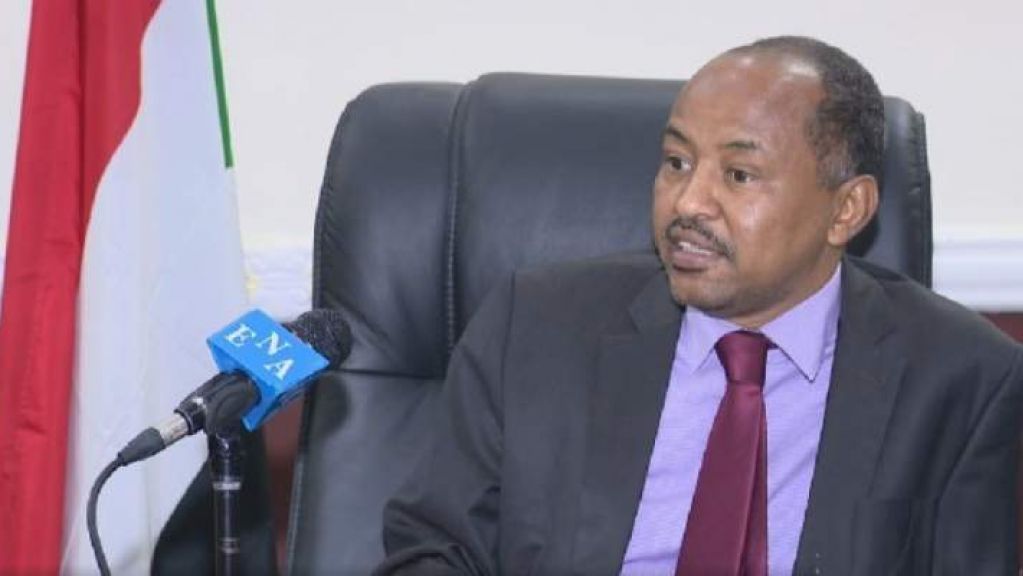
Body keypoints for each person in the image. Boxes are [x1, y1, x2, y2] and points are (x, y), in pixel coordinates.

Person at [374, 36, 1023, 575]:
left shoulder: (962, 379)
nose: (687, 203)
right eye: (677, 162)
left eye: (738, 175)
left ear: (846, 209)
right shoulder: (537, 327)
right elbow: (434, 550)